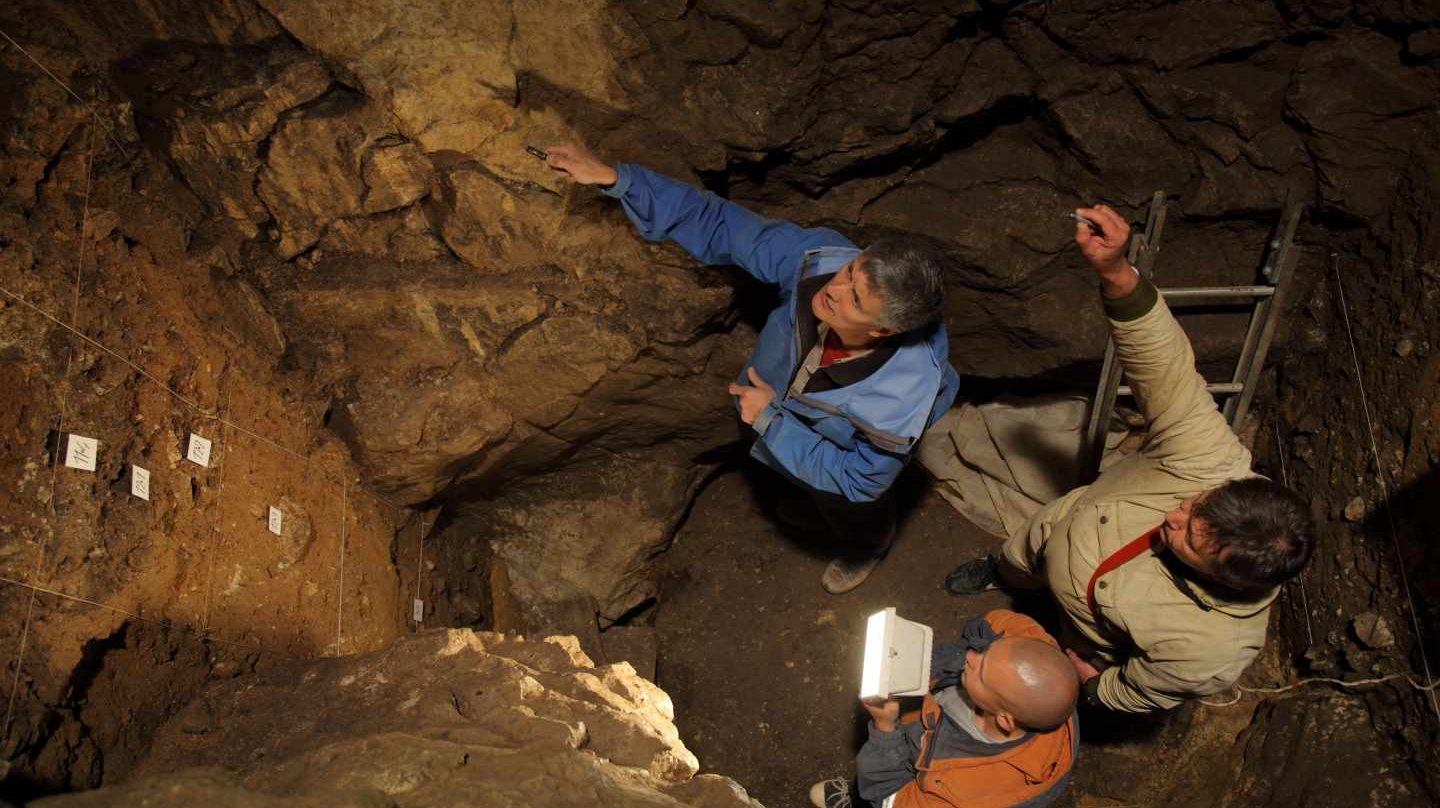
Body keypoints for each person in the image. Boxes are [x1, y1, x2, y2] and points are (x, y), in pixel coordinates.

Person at [944, 204, 1317, 713]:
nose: (1174, 517)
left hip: (1084, 633)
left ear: (1223, 580)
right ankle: (1002, 570)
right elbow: (1166, 369)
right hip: (1058, 527)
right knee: (1020, 550)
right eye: (1195, 505)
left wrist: (1091, 688)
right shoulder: (1211, 460)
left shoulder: (1211, 650)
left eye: (1188, 538)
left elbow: (1142, 689)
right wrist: (1117, 274)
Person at [545, 143, 960, 594]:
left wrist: (770, 419)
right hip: (786, 401)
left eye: (855, 300)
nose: (834, 289)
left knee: (849, 500)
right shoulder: (819, 263)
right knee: (801, 469)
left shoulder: (898, 401)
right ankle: (816, 497)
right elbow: (722, 223)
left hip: (842, 438)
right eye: (851, 273)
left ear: (881, 331)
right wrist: (618, 179)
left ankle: (865, 543)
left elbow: (859, 480)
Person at [809, 609, 1079, 808]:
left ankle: (857, 797)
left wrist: (885, 727)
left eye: (982, 671)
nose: (971, 656)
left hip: (907, 781)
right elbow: (993, 622)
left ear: (1005, 720)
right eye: (988, 652)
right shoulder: (1035, 655)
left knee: (872, 793)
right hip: (928, 721)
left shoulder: (963, 794)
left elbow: (890, 799)